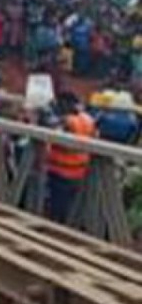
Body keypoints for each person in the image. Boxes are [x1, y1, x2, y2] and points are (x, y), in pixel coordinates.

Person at [45, 91, 97, 225]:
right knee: (72, 206)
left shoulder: (67, 121)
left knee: (57, 208)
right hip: (80, 171)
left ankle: (56, 229)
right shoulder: (88, 120)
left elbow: (53, 134)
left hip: (61, 170)